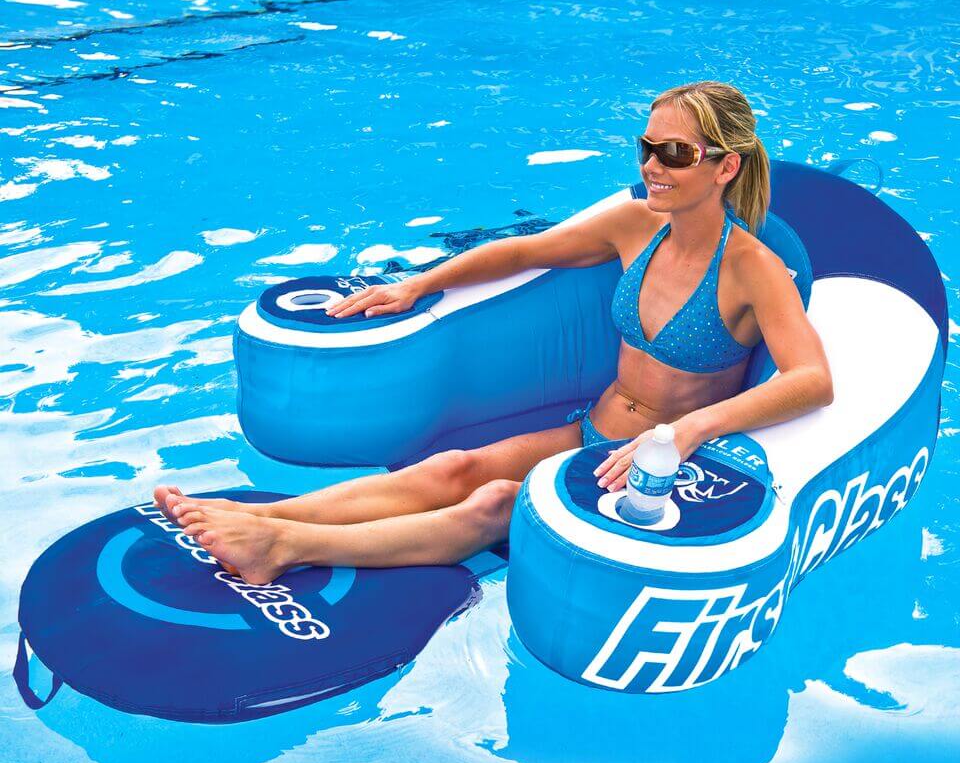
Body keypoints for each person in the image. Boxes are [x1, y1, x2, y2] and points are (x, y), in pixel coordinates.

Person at [154, 81, 832, 585]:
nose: (653, 166)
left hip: (649, 469)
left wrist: (685, 433)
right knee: (456, 467)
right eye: (648, 148)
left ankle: (280, 548)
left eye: (676, 153)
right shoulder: (636, 227)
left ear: (725, 166)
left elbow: (811, 381)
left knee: (493, 504)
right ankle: (272, 517)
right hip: (592, 430)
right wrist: (419, 284)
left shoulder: (752, 269)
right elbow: (525, 252)